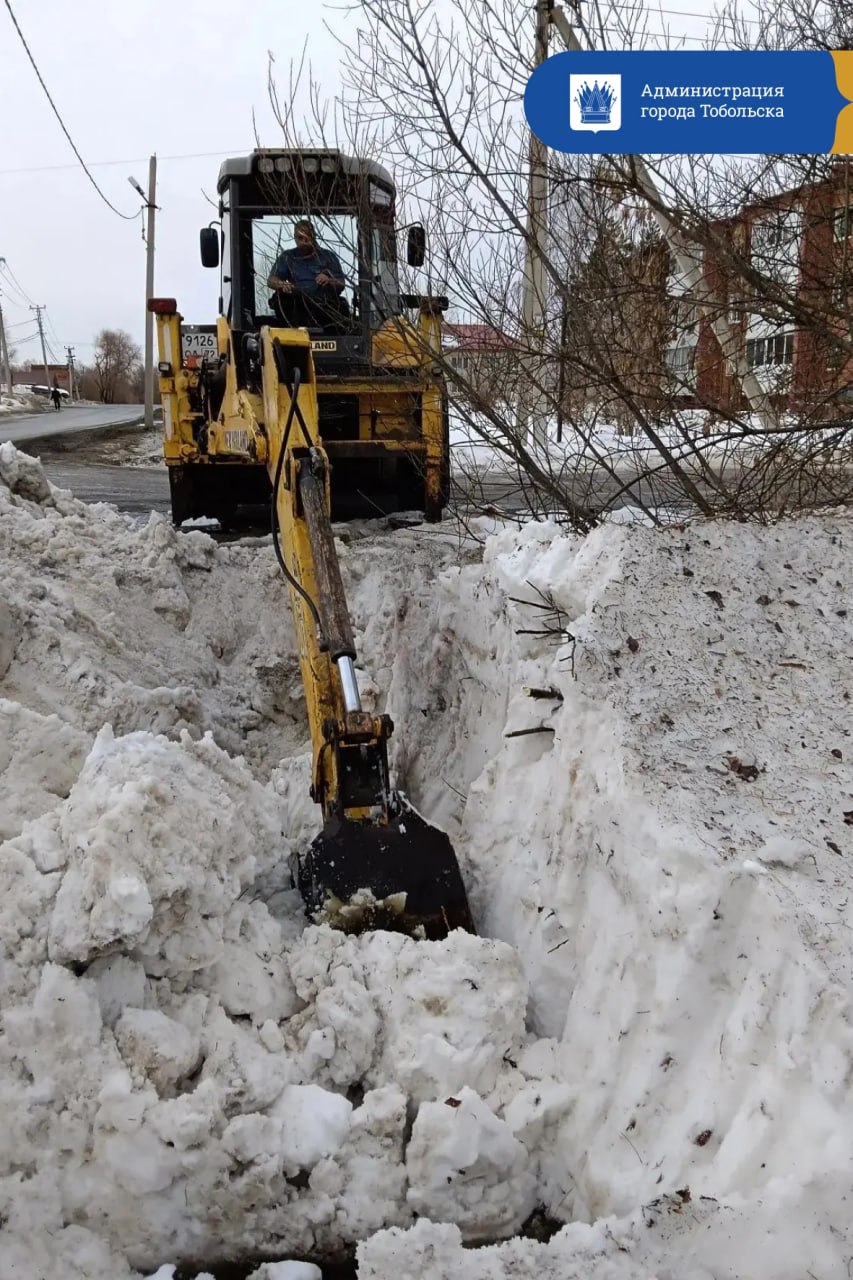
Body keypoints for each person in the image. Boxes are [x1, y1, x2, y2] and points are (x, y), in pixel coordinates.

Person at [267, 220, 349, 330]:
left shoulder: (328, 257)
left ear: (314, 236)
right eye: (300, 238)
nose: (304, 241)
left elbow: (341, 283)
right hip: (297, 307)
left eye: (308, 237)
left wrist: (329, 280)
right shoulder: (288, 257)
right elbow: (271, 280)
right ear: (295, 238)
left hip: (324, 307)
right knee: (281, 299)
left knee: (341, 307)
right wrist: (281, 284)